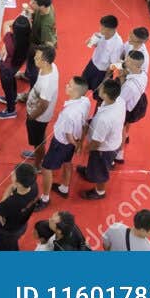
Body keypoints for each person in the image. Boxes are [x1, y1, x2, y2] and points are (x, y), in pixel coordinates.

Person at [38, 76, 91, 204]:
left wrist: (77, 145)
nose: (66, 85)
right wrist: (79, 142)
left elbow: (68, 135)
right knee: (67, 162)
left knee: (46, 168)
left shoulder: (69, 113)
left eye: (70, 85)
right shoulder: (85, 101)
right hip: (73, 141)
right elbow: (85, 123)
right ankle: (64, 188)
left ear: (76, 92)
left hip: (61, 143)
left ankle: (45, 198)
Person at [79, 79, 125, 199]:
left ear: (105, 94)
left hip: (104, 150)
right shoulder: (119, 101)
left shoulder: (104, 119)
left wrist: (85, 149)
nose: (99, 87)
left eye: (101, 88)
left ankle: (100, 192)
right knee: (96, 165)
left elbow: (96, 143)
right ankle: (89, 172)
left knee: (100, 170)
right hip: (113, 141)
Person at [22, 44, 59, 167]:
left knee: (38, 141)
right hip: (37, 112)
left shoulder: (47, 83)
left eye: (37, 58)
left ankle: (38, 164)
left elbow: (43, 105)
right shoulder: (50, 66)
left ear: (45, 61)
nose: (34, 59)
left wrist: (32, 116)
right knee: (39, 138)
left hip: (38, 117)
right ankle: (38, 153)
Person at [0, 163, 40, 250]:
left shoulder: (12, 203)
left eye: (14, 174)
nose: (11, 173)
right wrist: (2, 208)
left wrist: (1, 207)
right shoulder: (33, 186)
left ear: (18, 183)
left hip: (7, 233)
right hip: (21, 226)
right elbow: (11, 187)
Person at [116, 48, 149, 163]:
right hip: (138, 101)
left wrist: (120, 78)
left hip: (128, 108)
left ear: (136, 66)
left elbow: (119, 99)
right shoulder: (143, 74)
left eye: (128, 62)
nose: (125, 63)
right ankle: (126, 137)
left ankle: (118, 154)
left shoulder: (129, 86)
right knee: (126, 126)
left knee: (121, 128)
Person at [80, 15, 125, 92]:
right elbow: (95, 44)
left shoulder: (117, 44)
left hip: (102, 72)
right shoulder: (101, 33)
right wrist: (90, 42)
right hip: (92, 64)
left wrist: (105, 80)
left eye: (103, 28)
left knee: (98, 94)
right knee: (81, 86)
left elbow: (113, 65)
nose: (100, 29)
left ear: (110, 30)